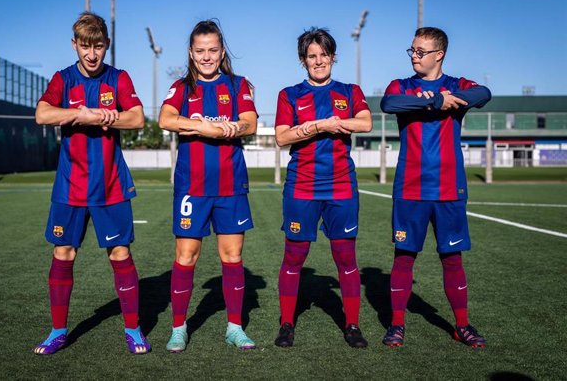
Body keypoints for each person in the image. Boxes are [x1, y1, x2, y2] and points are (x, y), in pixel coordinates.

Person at [33, 12, 149, 355]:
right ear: (75, 45)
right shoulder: (63, 79)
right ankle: (57, 331)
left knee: (120, 251)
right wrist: (80, 114)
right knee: (63, 251)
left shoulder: (119, 78)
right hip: (69, 185)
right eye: (85, 46)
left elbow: (138, 117)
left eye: (98, 46)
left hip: (110, 183)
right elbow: (42, 113)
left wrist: (111, 116)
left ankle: (133, 329)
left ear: (107, 45)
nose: (92, 53)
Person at [380, 26, 492, 348]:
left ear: (439, 54)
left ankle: (462, 325)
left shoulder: (457, 85)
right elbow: (389, 104)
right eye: (412, 50)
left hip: (448, 187)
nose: (414, 56)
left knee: (452, 257)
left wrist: (451, 99)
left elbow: (483, 93)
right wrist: (434, 103)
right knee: (404, 256)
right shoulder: (402, 85)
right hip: (410, 186)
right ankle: (397, 325)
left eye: (421, 51)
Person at [158, 20, 258, 352]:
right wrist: (208, 128)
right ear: (190, 52)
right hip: (191, 187)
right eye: (200, 51)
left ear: (222, 51)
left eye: (212, 50)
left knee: (232, 256)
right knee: (186, 256)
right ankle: (178, 328)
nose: (206, 57)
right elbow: (166, 119)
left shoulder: (238, 85)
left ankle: (234, 326)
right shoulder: (182, 87)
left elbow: (250, 123)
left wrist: (230, 127)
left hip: (231, 186)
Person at [273, 27, 372, 348]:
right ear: (303, 61)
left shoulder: (350, 90)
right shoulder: (289, 94)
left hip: (342, 185)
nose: (318, 61)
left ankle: (353, 325)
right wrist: (320, 125)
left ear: (333, 56)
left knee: (345, 258)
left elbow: (365, 123)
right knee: (294, 256)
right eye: (311, 56)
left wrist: (329, 124)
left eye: (323, 55)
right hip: (301, 186)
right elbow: (282, 136)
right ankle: (287, 323)